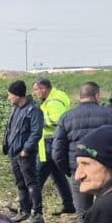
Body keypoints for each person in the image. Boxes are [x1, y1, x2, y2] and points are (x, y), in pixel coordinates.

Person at [51, 81, 112, 223]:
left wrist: (70, 170)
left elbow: (57, 151)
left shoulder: (66, 117)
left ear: (79, 97)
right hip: (105, 172)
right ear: (97, 95)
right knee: (108, 212)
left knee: (83, 215)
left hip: (79, 172)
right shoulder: (110, 114)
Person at [3, 80, 46, 223]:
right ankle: (24, 210)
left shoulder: (33, 110)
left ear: (17, 95)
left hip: (24, 154)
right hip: (14, 153)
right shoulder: (16, 109)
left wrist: (25, 149)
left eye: (10, 95)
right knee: (20, 183)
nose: (8, 97)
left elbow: (36, 132)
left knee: (31, 183)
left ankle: (37, 213)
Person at [32, 78, 76, 215]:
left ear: (43, 88)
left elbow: (59, 120)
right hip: (52, 142)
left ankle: (28, 206)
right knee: (57, 176)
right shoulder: (55, 97)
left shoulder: (53, 102)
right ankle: (69, 205)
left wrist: (39, 122)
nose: (35, 93)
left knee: (37, 176)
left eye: (36, 89)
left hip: (51, 143)